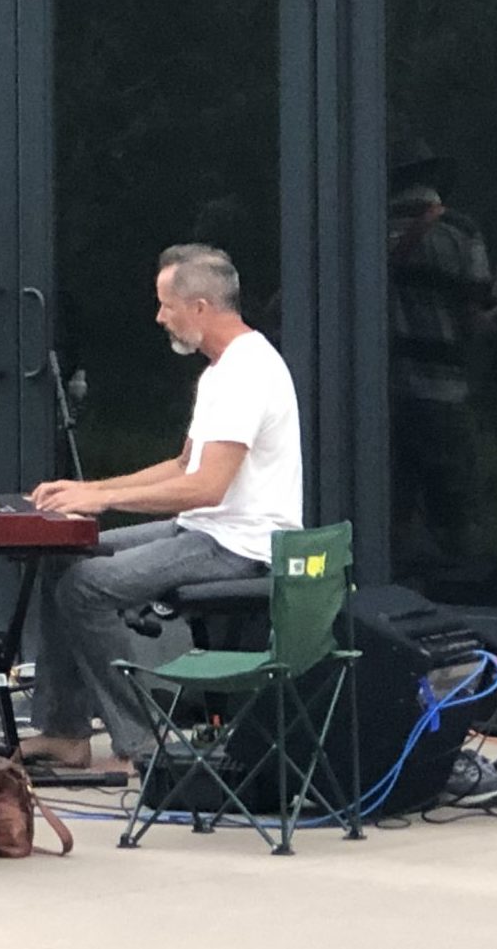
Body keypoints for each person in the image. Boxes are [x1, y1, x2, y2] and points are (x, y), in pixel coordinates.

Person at [22, 244, 301, 771]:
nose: (159, 317)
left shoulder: (247, 373)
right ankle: (65, 731)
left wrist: (103, 498)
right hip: (206, 531)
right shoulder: (225, 368)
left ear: (199, 307)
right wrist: (89, 491)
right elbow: (183, 465)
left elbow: (205, 488)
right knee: (59, 552)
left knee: (85, 587)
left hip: (237, 545)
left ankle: (142, 742)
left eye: (166, 304)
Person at [385, 139, 497, 577]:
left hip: (388, 395)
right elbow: (472, 317)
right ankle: (466, 595)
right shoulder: (461, 231)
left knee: (394, 503)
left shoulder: (369, 228)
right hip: (444, 392)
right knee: (456, 505)